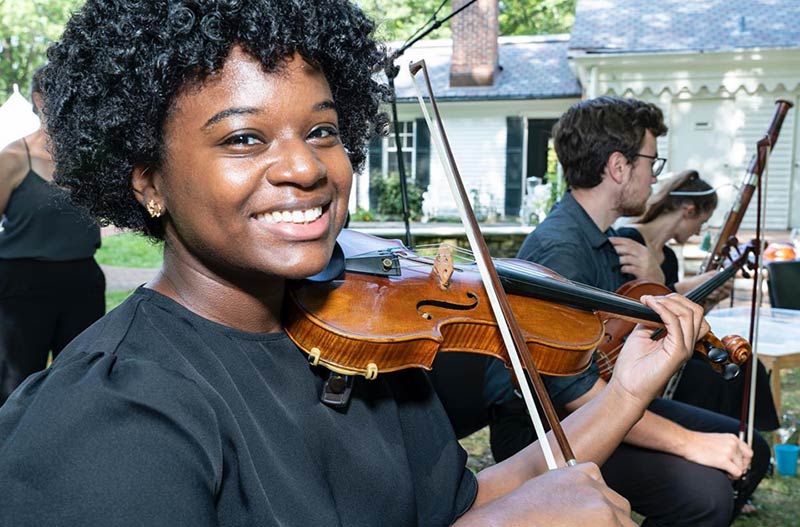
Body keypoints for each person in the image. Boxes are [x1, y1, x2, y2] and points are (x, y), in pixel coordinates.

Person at [0, 2, 709, 526]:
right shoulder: (112, 414)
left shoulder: (359, 339)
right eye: (245, 137)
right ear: (147, 180)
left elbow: (466, 503)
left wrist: (624, 394)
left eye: (322, 130)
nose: (306, 166)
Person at [485, 97, 770, 526]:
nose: (655, 178)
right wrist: (689, 443)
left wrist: (658, 277)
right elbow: (574, 394)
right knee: (705, 495)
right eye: (651, 163)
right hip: (544, 430)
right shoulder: (562, 250)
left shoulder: (609, 240)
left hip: (595, 404)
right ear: (619, 167)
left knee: (752, 448)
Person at [615, 170, 779, 433]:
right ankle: (717, 439)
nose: (699, 231)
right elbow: (630, 303)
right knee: (711, 380)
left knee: (748, 366)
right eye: (701, 222)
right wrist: (679, 287)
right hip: (639, 349)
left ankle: (751, 436)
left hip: (670, 341)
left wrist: (708, 298)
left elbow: (674, 309)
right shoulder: (629, 239)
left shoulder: (668, 255)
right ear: (688, 210)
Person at [0, 67, 105, 405]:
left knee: (79, 384)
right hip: (21, 287)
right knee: (14, 388)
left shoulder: (89, 157)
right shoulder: (13, 158)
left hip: (82, 283)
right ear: (39, 100)